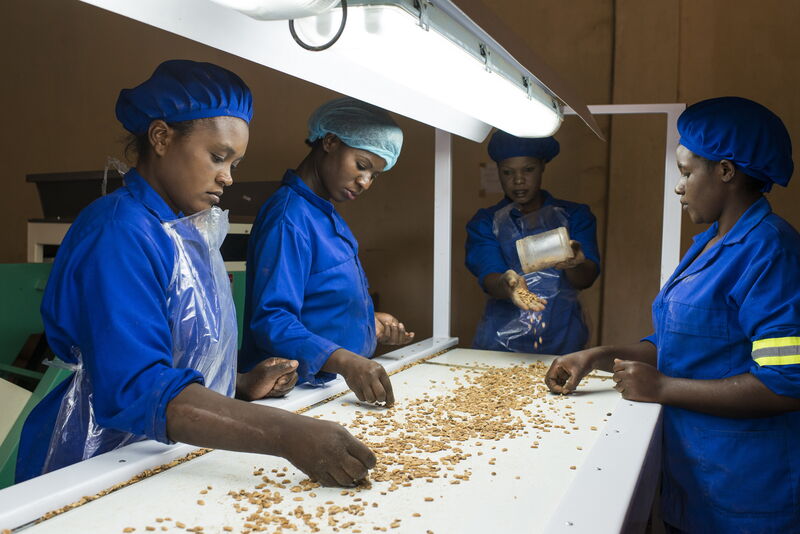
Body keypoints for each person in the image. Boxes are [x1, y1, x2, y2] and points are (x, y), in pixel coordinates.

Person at [16, 60, 376, 488]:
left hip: (164, 450)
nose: (227, 177)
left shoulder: (186, 231)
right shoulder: (119, 232)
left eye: (235, 164)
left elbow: (174, 355)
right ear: (161, 137)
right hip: (96, 458)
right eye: (218, 157)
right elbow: (135, 385)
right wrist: (285, 433)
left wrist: (238, 384)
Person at [545, 97, 800, 531]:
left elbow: (786, 384)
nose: (679, 187)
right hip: (695, 478)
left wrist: (663, 387)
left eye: (686, 173)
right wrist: (598, 356)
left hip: (747, 490)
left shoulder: (770, 252)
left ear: (725, 171)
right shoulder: (710, 244)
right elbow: (681, 345)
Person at [239, 97, 415, 406]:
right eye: (362, 165)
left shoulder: (323, 213)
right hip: (291, 393)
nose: (365, 182)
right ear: (331, 141)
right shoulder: (289, 218)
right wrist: (347, 362)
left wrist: (367, 322)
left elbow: (319, 301)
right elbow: (273, 320)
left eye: (374, 175)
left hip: (327, 388)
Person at [465, 131, 600, 354]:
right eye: (507, 172)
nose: (518, 180)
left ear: (542, 166)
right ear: (498, 171)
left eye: (528, 170)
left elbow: (585, 279)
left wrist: (575, 263)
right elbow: (489, 276)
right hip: (501, 342)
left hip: (562, 336)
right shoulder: (486, 222)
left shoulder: (574, 216)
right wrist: (508, 284)